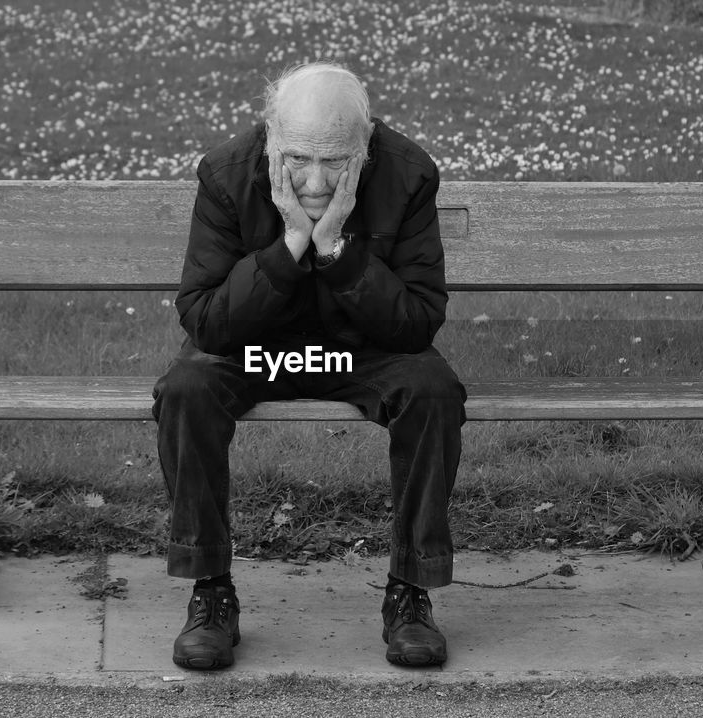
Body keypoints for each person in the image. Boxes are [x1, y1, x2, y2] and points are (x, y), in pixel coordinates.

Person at [152, 61, 466, 671]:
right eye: (298, 159)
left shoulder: (408, 174)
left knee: (432, 389)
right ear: (271, 138)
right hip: (256, 347)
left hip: (360, 348)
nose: (317, 182)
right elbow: (206, 320)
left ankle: (411, 592)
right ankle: (211, 591)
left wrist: (335, 251)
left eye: (337, 160)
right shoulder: (226, 174)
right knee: (188, 387)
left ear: (366, 142)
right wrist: (292, 244)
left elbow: (418, 321)